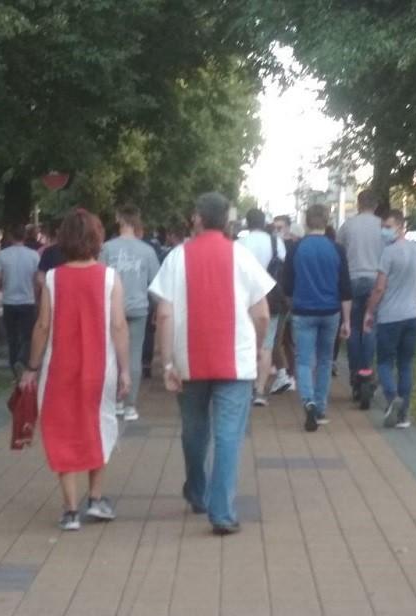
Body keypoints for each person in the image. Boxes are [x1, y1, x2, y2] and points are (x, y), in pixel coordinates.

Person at [150, 192, 274, 535]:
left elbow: (164, 314)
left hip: (188, 360)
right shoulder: (242, 256)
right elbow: (262, 314)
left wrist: (167, 363)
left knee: (194, 430)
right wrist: (256, 347)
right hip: (235, 361)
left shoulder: (177, 257)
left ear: (198, 219)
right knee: (228, 435)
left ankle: (197, 490)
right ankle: (222, 512)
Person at [19, 209, 131, 531]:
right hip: (101, 369)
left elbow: (42, 326)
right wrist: (125, 369)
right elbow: (118, 325)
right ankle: (95, 498)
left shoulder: (52, 279)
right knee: (100, 425)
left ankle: (70, 510)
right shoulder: (110, 278)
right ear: (97, 238)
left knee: (62, 430)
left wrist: (32, 367)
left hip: (59, 369)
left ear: (64, 239)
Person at [281, 204, 353, 432]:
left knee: (303, 360)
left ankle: (308, 401)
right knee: (324, 360)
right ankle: (320, 408)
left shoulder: (296, 248)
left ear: (305, 221)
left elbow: (287, 284)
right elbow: (345, 288)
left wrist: (292, 304)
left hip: (303, 311)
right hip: (330, 311)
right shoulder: (337, 249)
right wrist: (347, 320)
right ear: (327, 221)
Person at [363, 210, 416, 429]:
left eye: (388, 226)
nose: (384, 231)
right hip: (413, 315)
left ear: (401, 227)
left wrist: (369, 312)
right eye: (383, 226)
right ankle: (403, 415)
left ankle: (392, 398)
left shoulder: (388, 253)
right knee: (406, 364)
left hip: (390, 317)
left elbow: (379, 287)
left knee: (384, 362)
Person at [101, 204, 161, 421]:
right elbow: (156, 284)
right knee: (134, 355)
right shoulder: (147, 251)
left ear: (119, 219)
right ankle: (130, 405)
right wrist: (157, 309)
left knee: (112, 355)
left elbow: (98, 279)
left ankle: (115, 401)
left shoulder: (107, 248)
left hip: (111, 309)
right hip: (138, 308)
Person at [337, 190, 385, 401]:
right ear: (375, 206)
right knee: (370, 326)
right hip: (375, 280)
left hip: (352, 280)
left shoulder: (347, 226)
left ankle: (355, 373)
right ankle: (367, 370)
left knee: (353, 327)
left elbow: (339, 252)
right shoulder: (383, 226)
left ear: (358, 204)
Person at [237, 208, 288, 406]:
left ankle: (246, 385)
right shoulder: (276, 242)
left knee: (245, 342)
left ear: (247, 223)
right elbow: (282, 266)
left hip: (245, 299)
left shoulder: (239, 244)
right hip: (270, 298)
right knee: (266, 344)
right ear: (264, 223)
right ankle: (260, 391)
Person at [0, 224, 42, 374]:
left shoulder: (2, 255)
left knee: (12, 337)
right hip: (28, 300)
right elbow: (37, 280)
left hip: (9, 301)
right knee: (27, 336)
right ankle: (22, 360)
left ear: (10, 236)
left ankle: (14, 367)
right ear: (25, 236)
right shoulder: (34, 255)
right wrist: (37, 298)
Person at [270, 215, 298, 394]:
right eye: (275, 228)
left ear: (288, 227)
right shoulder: (275, 245)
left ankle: (290, 375)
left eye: (280, 227)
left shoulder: (293, 247)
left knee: (287, 339)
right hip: (279, 297)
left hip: (289, 297)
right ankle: (285, 372)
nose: (277, 231)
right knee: (280, 338)